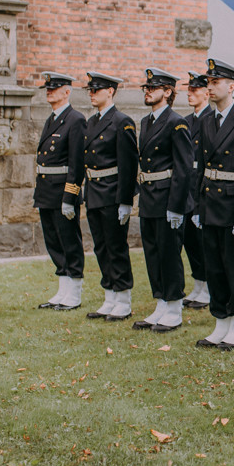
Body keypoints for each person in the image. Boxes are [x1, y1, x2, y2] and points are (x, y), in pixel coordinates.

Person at [192, 58, 234, 350]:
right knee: (215, 267)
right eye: (209, 82)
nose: (210, 87)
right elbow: (201, 168)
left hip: (233, 206)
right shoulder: (206, 120)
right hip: (210, 204)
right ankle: (221, 321)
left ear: (231, 86)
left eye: (215, 82)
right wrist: (197, 206)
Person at [132, 67, 194, 333]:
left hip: (168, 196)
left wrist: (177, 206)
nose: (147, 91)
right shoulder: (147, 122)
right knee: (153, 253)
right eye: (146, 88)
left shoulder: (176, 122)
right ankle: (161, 302)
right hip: (149, 196)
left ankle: (175, 306)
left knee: (170, 254)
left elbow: (183, 168)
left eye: (152, 88)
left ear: (167, 92)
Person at [82, 71, 138, 322]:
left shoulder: (122, 121)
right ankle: (109, 296)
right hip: (94, 191)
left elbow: (128, 164)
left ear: (110, 92)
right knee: (101, 246)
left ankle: (123, 298)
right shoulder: (91, 122)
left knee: (116, 247)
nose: (92, 94)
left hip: (113, 192)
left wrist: (125, 200)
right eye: (90, 90)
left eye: (97, 90)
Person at [33, 72, 86, 311]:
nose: (49, 91)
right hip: (46, 190)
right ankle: (63, 289)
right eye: (48, 88)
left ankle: (74, 292)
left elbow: (76, 163)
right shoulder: (52, 118)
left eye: (55, 88)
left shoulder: (75, 119)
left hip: (63, 190)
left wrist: (70, 195)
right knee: (53, 240)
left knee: (68, 240)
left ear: (67, 91)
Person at [182, 72, 211, 310]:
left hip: (204, 186)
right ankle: (199, 283)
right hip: (187, 186)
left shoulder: (212, 119)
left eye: (195, 89)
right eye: (188, 89)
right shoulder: (187, 121)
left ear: (206, 92)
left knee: (204, 242)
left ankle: (209, 286)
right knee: (191, 241)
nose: (190, 93)